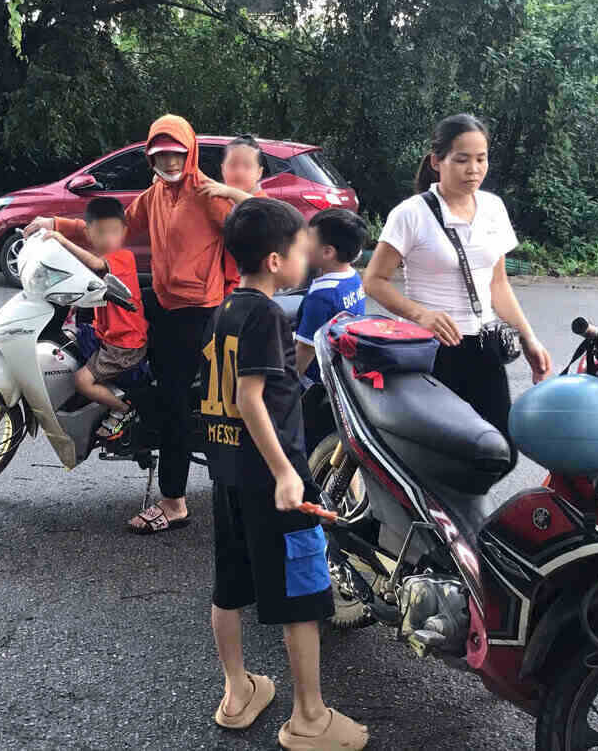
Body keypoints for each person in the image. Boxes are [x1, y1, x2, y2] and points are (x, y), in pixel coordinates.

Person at [201, 197, 369, 751]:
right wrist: (285, 473)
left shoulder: (225, 309)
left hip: (228, 475)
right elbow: (252, 399)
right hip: (273, 480)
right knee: (303, 593)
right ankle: (309, 718)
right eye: (299, 250)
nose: (306, 259)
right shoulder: (270, 316)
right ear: (276, 261)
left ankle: (237, 692)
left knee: (230, 587)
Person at [24, 114, 234, 534]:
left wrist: (238, 286)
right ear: (150, 158)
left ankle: (174, 502)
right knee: (114, 314)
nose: (170, 162)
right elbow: (111, 231)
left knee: (173, 398)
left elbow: (249, 232)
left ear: (189, 152)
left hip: (198, 307)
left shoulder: (208, 194)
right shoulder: (155, 195)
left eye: (176, 154)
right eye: (161, 155)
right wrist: (54, 225)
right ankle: (133, 408)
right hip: (168, 297)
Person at [363, 114, 551, 433]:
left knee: (499, 446)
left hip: (484, 345)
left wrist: (528, 337)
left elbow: (498, 283)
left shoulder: (493, 208)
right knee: (443, 450)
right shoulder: (411, 214)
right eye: (462, 159)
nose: (474, 169)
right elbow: (374, 281)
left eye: (481, 159)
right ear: (437, 161)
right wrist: (421, 315)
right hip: (433, 349)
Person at [40, 196, 149, 442]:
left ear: (124, 232)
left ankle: (123, 410)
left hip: (124, 345)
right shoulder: (103, 256)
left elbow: (95, 264)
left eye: (114, 232)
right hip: (105, 334)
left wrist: (61, 239)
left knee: (81, 381)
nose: (108, 239)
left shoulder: (123, 257)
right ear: (89, 234)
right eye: (101, 233)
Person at [293, 208, 367, 454]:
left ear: (327, 252)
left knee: (305, 449)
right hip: (341, 376)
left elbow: (303, 353)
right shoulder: (352, 278)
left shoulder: (322, 297)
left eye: (309, 239)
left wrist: (280, 390)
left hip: (313, 388)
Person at [199, 135, 269, 295]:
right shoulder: (219, 196)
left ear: (259, 172)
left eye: (247, 166)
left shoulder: (260, 200)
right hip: (220, 286)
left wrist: (230, 191)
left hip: (249, 288)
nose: (239, 171)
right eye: (232, 165)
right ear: (223, 168)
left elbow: (266, 209)